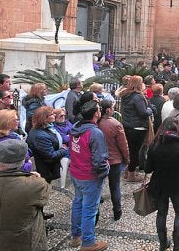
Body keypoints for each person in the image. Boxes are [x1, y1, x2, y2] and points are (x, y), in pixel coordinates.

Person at [0, 140, 49, 251]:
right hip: (25, 245)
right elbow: (43, 199)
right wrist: (32, 177)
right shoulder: (37, 185)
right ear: (23, 163)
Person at [145, 117, 179, 251]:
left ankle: (162, 243)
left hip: (159, 184)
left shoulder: (154, 146)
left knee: (161, 213)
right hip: (176, 184)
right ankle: (178, 245)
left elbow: (148, 168)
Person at [69, 100, 110, 251]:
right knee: (90, 210)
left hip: (76, 172)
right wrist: (105, 171)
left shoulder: (75, 128)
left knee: (78, 203)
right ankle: (88, 242)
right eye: (99, 110)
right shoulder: (95, 133)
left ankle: (76, 236)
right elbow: (100, 159)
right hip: (89, 176)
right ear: (96, 114)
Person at [97, 99, 130, 221]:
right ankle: (117, 210)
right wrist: (127, 159)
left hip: (99, 160)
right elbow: (123, 145)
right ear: (108, 110)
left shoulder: (96, 123)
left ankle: (96, 212)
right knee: (115, 186)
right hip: (114, 161)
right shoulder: (116, 124)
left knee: (98, 186)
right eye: (112, 107)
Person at [120, 75, 153, 182]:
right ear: (138, 84)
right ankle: (131, 174)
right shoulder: (137, 97)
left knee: (130, 149)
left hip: (127, 125)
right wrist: (150, 110)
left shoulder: (125, 95)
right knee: (135, 151)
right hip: (137, 127)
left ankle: (127, 171)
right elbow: (143, 113)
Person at [26, 106, 69, 183]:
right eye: (51, 114)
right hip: (46, 168)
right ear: (44, 118)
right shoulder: (41, 136)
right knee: (46, 185)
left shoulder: (48, 127)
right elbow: (50, 156)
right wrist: (63, 150)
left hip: (48, 165)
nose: (54, 115)